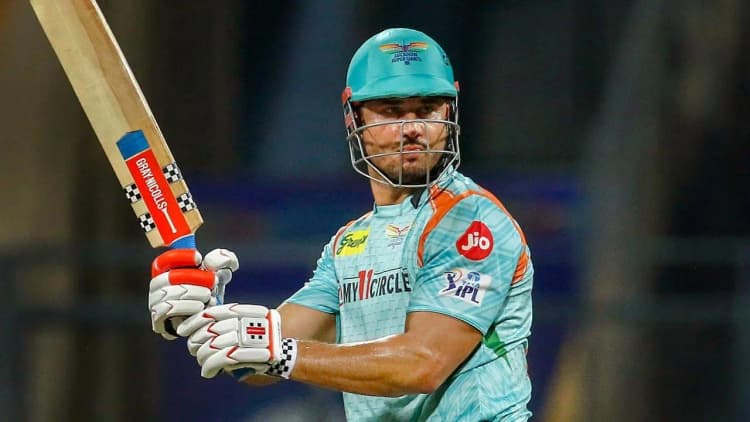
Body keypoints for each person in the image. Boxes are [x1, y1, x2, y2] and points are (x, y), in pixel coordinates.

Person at [148, 27, 534, 421]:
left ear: (449, 111)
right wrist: (209, 318)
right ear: (352, 116)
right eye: (391, 110)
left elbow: (423, 363)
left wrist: (278, 352)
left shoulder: (471, 221)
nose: (413, 127)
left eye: (427, 108)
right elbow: (262, 360)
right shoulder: (350, 243)